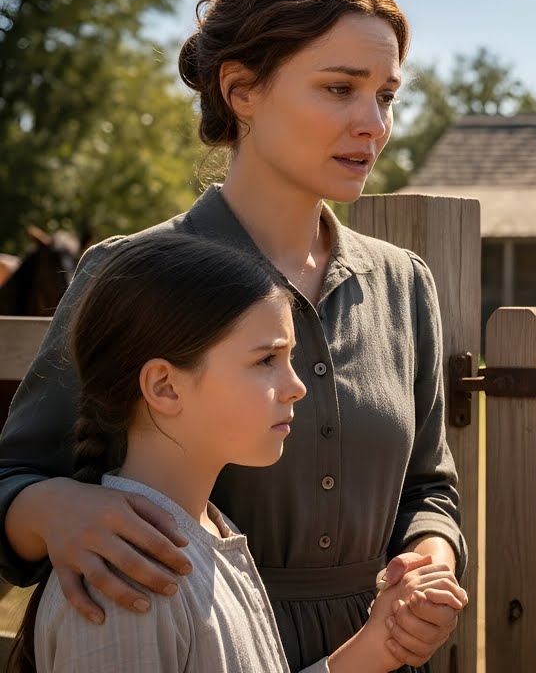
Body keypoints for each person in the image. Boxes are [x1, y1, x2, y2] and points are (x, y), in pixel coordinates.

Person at [0, 0, 467, 669]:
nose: (373, 124)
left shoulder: (405, 282)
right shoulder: (129, 273)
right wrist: (53, 510)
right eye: (340, 88)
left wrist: (427, 563)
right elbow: (13, 478)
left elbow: (430, 486)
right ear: (241, 89)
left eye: (386, 95)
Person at [12, 234, 462, 672]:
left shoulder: (207, 534)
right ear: (165, 387)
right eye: (266, 360)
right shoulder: (126, 583)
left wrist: (376, 645)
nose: (298, 386)